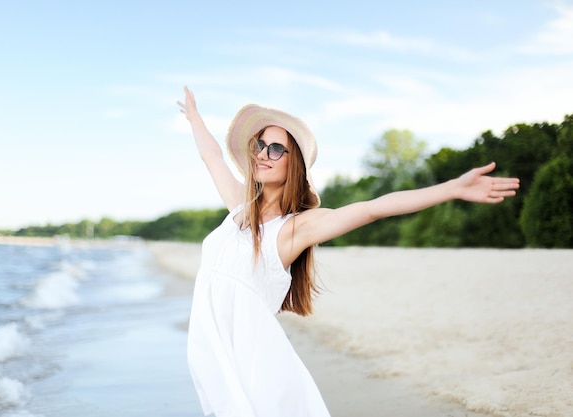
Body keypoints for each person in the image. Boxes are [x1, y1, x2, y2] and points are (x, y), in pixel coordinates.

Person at [177, 86, 520, 417]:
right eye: (260, 145)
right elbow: (212, 156)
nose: (264, 154)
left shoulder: (295, 228)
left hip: (257, 367)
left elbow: (373, 208)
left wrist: (452, 188)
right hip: (223, 356)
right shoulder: (239, 206)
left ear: (292, 163)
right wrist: (194, 118)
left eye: (276, 149)